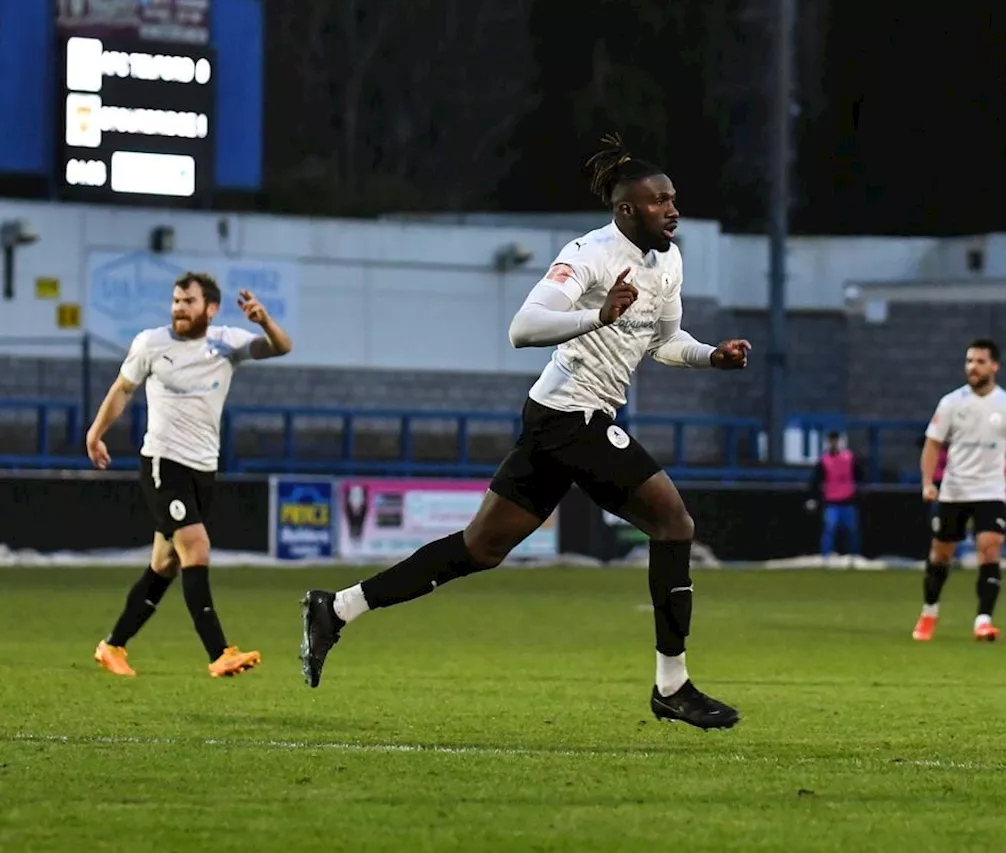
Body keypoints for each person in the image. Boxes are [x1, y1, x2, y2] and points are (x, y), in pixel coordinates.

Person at [299, 134, 752, 730]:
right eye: (658, 200)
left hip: (568, 421)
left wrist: (710, 358)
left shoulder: (667, 259)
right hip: (569, 417)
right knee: (675, 523)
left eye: (673, 198)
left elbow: (666, 341)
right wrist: (596, 315)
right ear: (625, 210)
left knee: (479, 548)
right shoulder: (588, 255)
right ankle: (673, 686)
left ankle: (336, 608)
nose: (672, 208)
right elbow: (522, 327)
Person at [88, 273, 293, 677]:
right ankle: (219, 652)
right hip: (164, 463)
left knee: (165, 565)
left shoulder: (227, 342)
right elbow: (122, 389)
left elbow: (281, 347)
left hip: (204, 469)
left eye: (188, 302)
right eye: (176, 301)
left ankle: (112, 646)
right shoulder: (150, 343)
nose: (179, 308)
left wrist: (264, 321)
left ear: (210, 309)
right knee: (196, 549)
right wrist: (96, 433)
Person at [913, 338, 1006, 642]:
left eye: (979, 361)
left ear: (994, 366)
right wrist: (928, 483)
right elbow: (933, 444)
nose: (972, 367)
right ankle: (929, 611)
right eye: (969, 361)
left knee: (990, 550)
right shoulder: (952, 403)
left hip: (991, 491)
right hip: (954, 490)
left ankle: (983, 620)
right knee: (941, 555)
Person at [805, 431, 863, 557]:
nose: (834, 444)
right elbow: (815, 480)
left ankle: (855, 556)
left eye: (836, 441)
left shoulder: (849, 458)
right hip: (832, 503)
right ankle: (826, 556)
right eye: (832, 441)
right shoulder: (824, 460)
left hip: (848, 501)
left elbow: (860, 475)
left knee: (852, 531)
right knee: (829, 530)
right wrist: (812, 498)